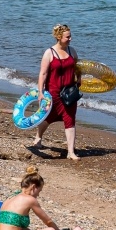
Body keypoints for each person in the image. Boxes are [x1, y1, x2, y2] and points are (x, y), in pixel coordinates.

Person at [0, 167, 98, 230]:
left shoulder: (11, 198)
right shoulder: (29, 199)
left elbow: (17, 228)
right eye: (39, 191)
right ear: (34, 187)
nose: (38, 195)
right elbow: (48, 222)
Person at [33, 24, 81, 160]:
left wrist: (79, 79)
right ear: (59, 37)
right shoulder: (50, 53)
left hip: (69, 92)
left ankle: (70, 152)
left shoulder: (72, 51)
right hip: (53, 92)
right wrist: (40, 92)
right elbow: (42, 74)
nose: (70, 39)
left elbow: (78, 68)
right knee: (49, 118)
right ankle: (38, 137)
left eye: (70, 36)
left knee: (70, 119)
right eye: (67, 37)